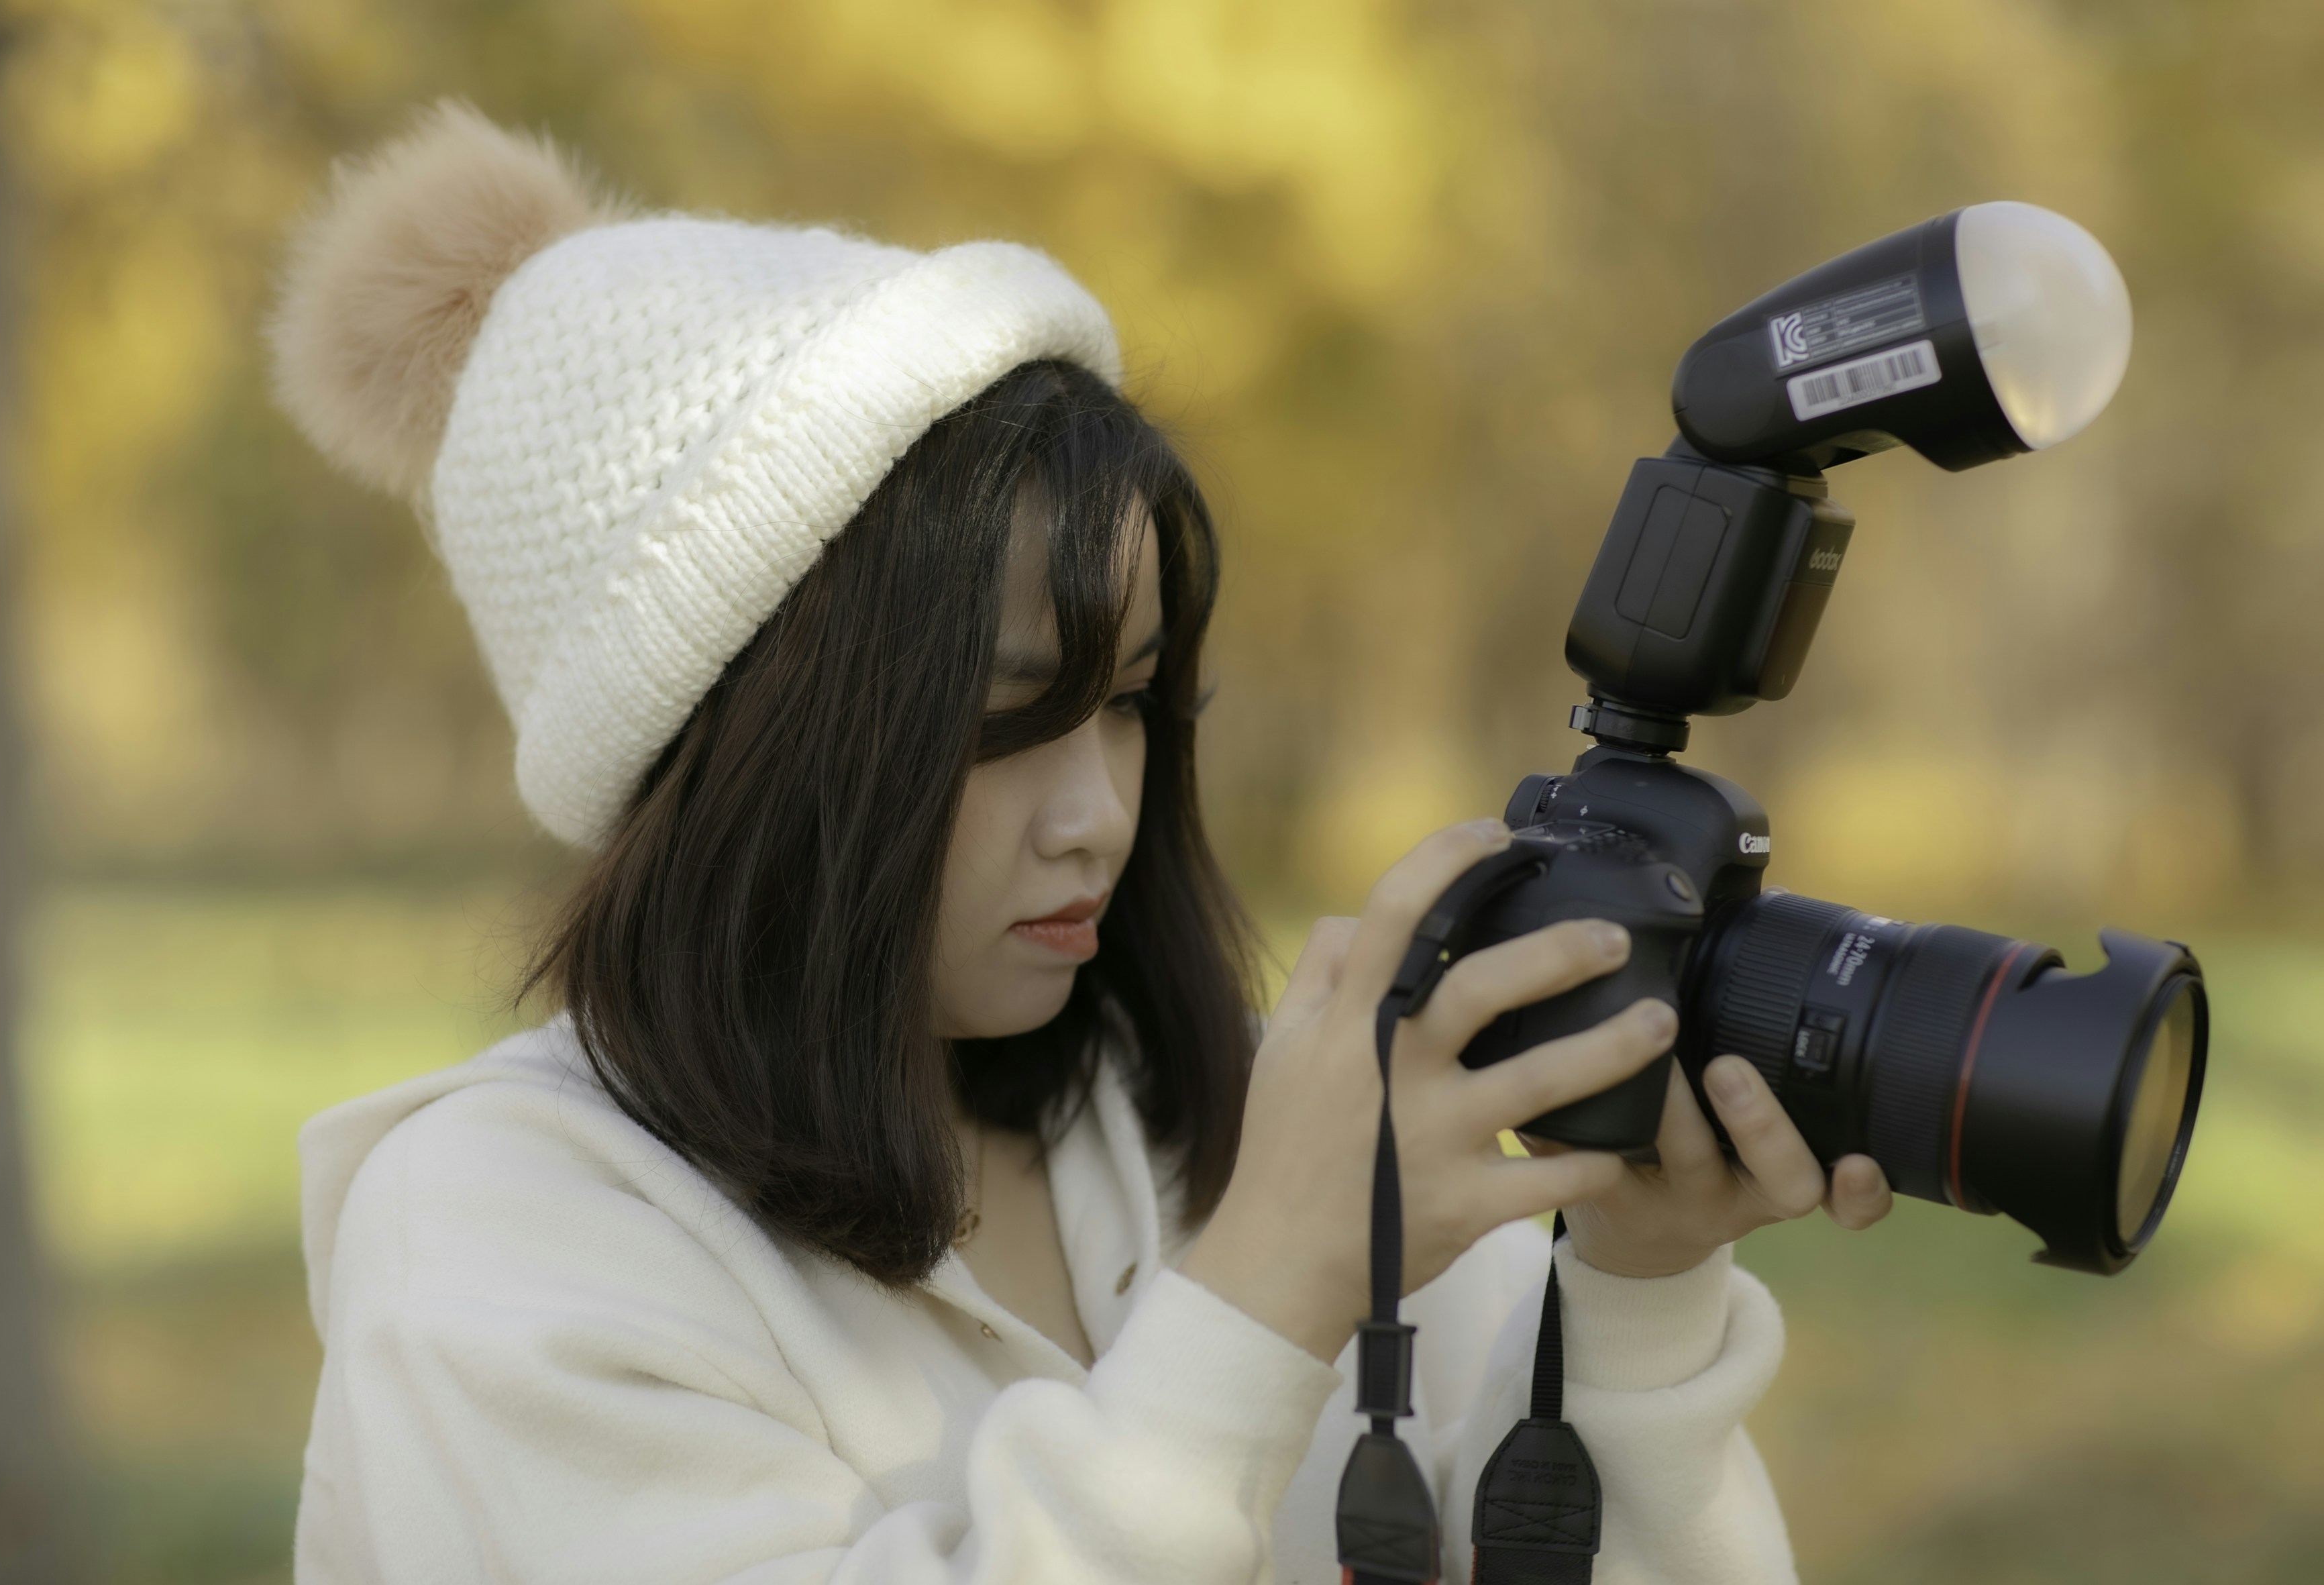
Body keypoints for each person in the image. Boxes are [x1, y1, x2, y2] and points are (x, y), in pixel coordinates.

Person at [270, 103, 1895, 1584]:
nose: (1098, 814)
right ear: (744, 750)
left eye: (1128, 705)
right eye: (1004, 720)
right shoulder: (501, 1246)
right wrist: (1262, 1297)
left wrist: (1632, 1296)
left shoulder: (1240, 1117)